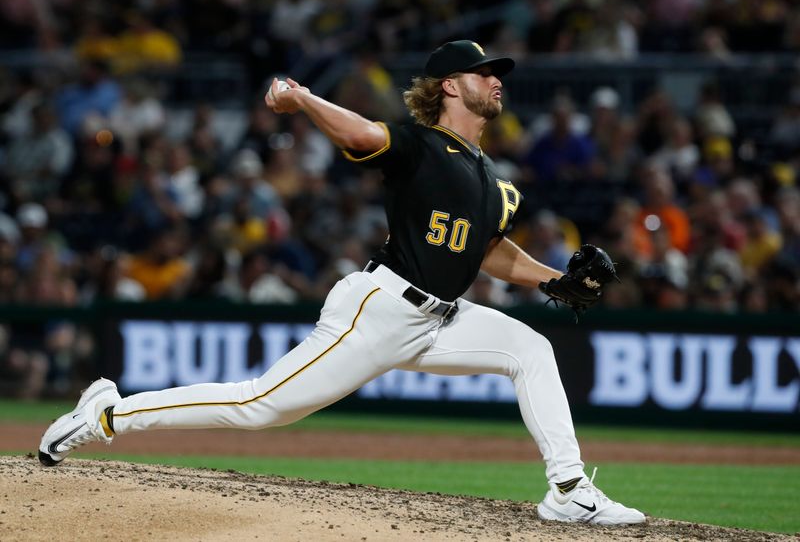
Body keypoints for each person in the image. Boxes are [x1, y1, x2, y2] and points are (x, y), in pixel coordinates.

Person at [38, 40, 645, 526]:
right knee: (260, 406)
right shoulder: (419, 143)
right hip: (380, 310)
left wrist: (553, 280)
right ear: (450, 86)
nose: (497, 80)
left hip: (441, 319)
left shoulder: (489, 174)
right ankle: (108, 414)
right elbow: (363, 136)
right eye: (484, 72)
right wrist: (303, 98)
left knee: (531, 350)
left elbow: (489, 250)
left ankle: (569, 490)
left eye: (497, 73)